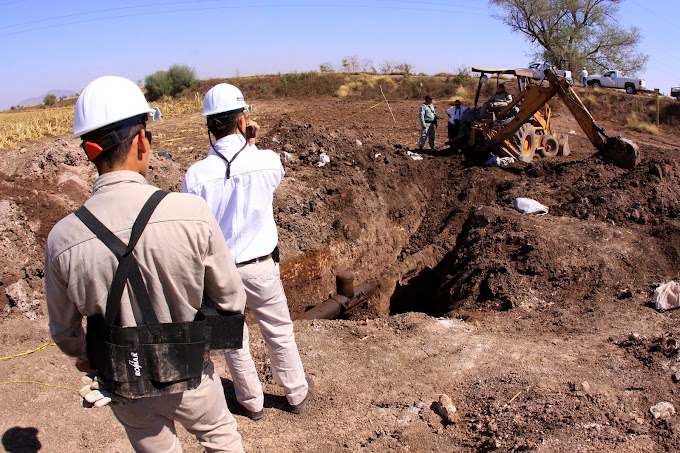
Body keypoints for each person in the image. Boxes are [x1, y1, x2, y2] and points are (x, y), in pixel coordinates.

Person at [44, 76, 246, 453]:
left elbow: (64, 331)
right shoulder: (191, 213)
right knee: (221, 438)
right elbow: (232, 301)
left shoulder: (63, 239)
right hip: (189, 373)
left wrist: (91, 360)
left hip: (123, 381)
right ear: (141, 139)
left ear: (90, 152)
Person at [182, 83, 313, 422]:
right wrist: (251, 143)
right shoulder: (266, 162)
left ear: (209, 125)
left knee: (233, 341)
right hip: (260, 265)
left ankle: (251, 402)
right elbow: (263, 173)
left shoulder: (195, 176)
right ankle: (296, 393)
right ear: (242, 119)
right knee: (278, 331)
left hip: (220, 272)